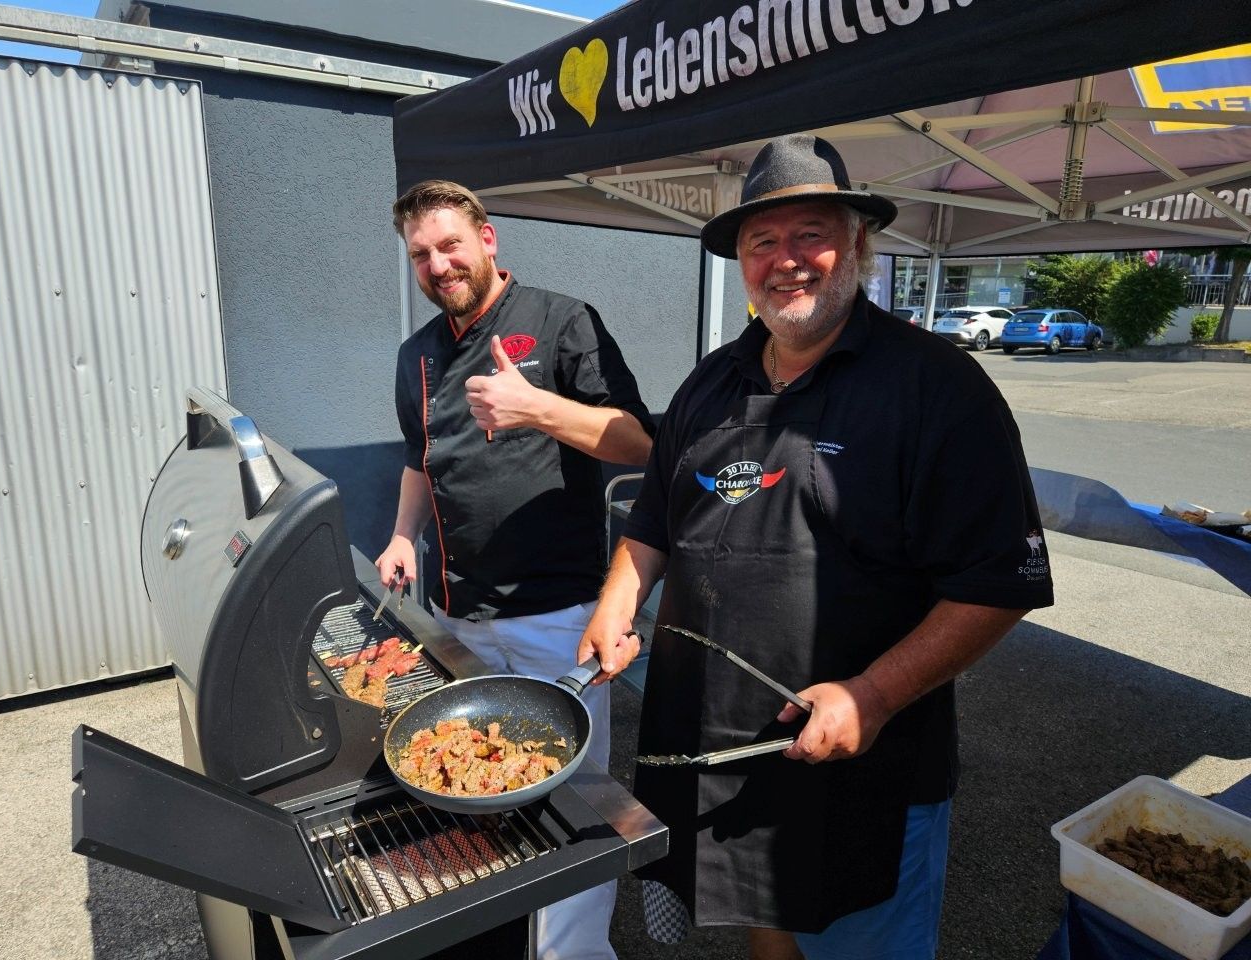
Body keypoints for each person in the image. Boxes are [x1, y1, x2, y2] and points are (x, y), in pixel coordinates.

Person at [578, 135, 1055, 960]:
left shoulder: (936, 387)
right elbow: (654, 518)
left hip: (863, 761)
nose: (786, 260)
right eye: (764, 242)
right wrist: (615, 602)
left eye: (811, 234)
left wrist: (871, 694)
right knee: (767, 928)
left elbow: (997, 582)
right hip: (724, 747)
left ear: (858, 243)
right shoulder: (712, 382)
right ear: (741, 261)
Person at [378, 180, 654, 960]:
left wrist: (539, 409)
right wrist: (401, 536)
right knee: (485, 789)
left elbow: (638, 440)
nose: (438, 264)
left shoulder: (563, 319)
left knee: (574, 803)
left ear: (488, 239)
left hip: (557, 618)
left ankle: (575, 955)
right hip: (458, 617)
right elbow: (417, 459)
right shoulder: (416, 354)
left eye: (450, 245)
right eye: (421, 254)